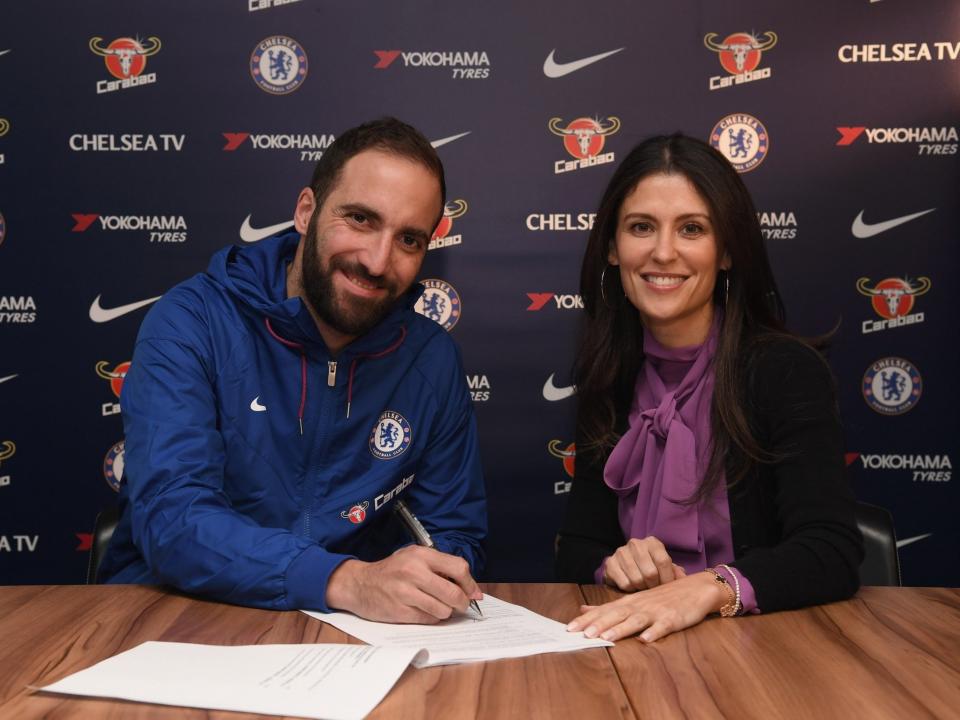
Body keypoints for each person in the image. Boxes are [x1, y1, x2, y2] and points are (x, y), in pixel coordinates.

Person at [99, 117, 487, 623]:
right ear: (307, 211)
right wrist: (344, 579)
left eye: (409, 240)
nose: (377, 260)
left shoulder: (430, 357)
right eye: (361, 219)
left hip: (357, 640)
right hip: (177, 618)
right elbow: (173, 519)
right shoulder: (193, 321)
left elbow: (453, 535)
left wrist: (434, 575)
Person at [555, 134, 863, 642]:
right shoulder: (610, 376)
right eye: (640, 227)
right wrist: (618, 565)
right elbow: (578, 548)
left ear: (726, 252)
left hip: (771, 654)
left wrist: (710, 588)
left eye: (692, 229)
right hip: (639, 654)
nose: (663, 251)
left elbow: (830, 548)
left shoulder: (784, 371)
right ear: (612, 248)